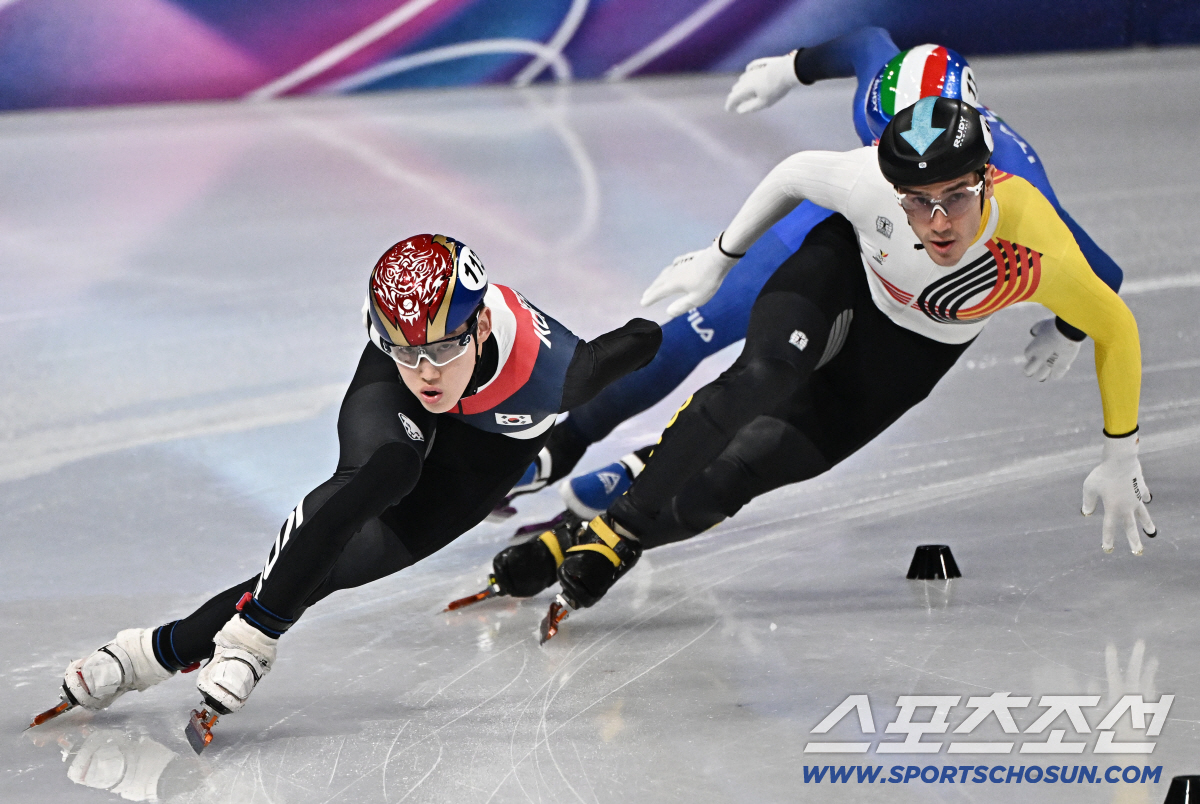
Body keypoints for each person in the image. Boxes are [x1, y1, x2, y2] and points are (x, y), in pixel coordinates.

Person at [459, 32, 1134, 610]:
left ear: (980, 171)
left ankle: (627, 490)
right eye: (887, 148)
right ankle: (551, 450)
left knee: (765, 445)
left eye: (946, 189)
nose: (911, 179)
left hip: (913, 322)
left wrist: (1073, 336)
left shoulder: (1020, 199)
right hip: (853, 235)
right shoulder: (876, 164)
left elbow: (1104, 280)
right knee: (707, 331)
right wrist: (792, 69)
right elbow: (867, 42)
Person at [43, 234, 660, 742]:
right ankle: (248, 637)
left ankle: (157, 649)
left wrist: (711, 272)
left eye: (443, 349)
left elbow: (642, 341)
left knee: (347, 562)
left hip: (491, 445)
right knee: (385, 470)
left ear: (476, 331)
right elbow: (414, 363)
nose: (425, 372)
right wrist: (258, 631)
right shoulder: (407, 360)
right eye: (402, 349)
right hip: (403, 430)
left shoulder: (559, 372)